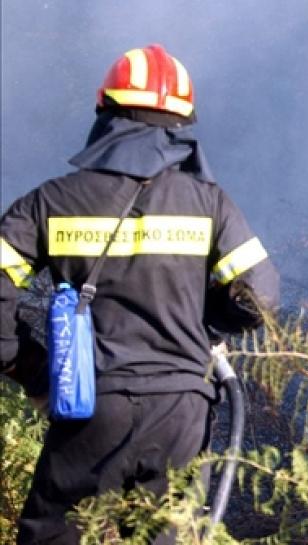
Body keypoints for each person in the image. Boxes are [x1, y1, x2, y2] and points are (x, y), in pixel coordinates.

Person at [0, 44, 280, 543]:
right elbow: (259, 295)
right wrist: (206, 318)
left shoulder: (51, 200)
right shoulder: (209, 203)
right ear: (182, 122)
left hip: (90, 406)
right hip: (182, 413)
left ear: (104, 110)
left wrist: (32, 370)